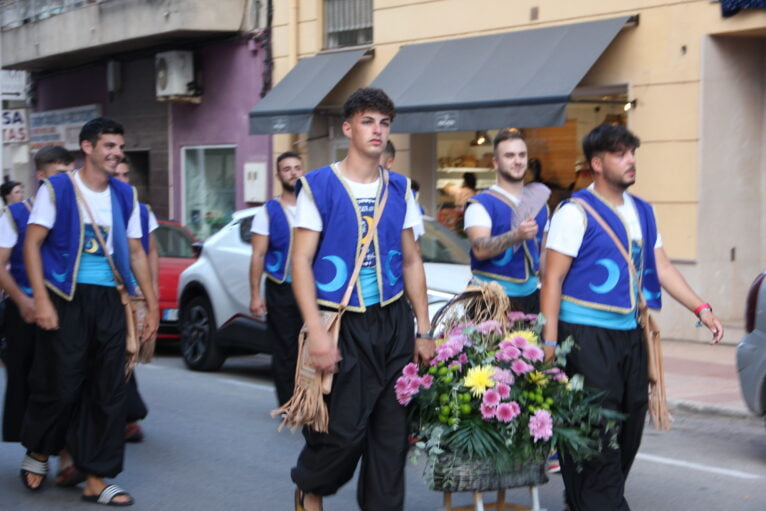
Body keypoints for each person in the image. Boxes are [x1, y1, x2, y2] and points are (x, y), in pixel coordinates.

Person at [540, 124, 724, 511]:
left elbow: (664, 267)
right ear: (596, 163)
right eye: (620, 154)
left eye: (632, 153)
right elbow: (552, 278)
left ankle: (586, 501)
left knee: (629, 432)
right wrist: (550, 343)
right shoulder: (574, 213)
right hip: (585, 337)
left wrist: (701, 309)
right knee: (596, 434)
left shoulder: (643, 211)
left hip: (630, 336)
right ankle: (601, 503)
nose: (631, 160)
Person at [290, 87, 434, 511]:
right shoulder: (318, 187)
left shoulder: (401, 188)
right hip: (341, 323)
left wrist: (423, 329)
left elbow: (411, 260)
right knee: (343, 434)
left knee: (391, 441)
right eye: (368, 121)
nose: (377, 130)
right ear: (348, 128)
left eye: (384, 122)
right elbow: (300, 263)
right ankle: (309, 487)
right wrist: (317, 334)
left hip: (392, 324)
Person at [20, 117, 159, 506]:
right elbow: (32, 245)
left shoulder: (125, 195)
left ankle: (98, 477)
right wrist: (42, 301)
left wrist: (149, 305)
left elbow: (136, 252)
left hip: (110, 300)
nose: (117, 153)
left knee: (108, 390)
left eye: (119, 146)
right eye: (109, 146)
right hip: (65, 297)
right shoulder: (59, 189)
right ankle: (39, 451)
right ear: (88, 147)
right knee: (60, 383)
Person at [0, 147, 75, 480]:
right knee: (30, 383)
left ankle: (67, 452)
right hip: (25, 312)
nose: (67, 180)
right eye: (60, 173)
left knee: (68, 381)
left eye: (70, 173)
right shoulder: (16, 214)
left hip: (68, 308)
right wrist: (22, 301)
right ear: (42, 176)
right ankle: (36, 451)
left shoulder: (78, 215)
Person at [464, 129, 549, 314]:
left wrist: (550, 291)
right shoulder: (481, 204)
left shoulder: (541, 205)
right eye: (509, 156)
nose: (518, 161)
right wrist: (517, 235)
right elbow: (480, 249)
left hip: (531, 297)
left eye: (522, 155)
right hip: (488, 299)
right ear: (495, 162)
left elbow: (543, 254)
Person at [249, 151, 305, 406]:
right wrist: (255, 295)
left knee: (312, 347)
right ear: (278, 175)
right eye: (287, 169)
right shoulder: (268, 211)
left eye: (296, 167)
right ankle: (288, 403)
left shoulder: (315, 207)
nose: (293, 172)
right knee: (286, 350)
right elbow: (258, 255)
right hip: (281, 288)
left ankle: (312, 400)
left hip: (314, 289)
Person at [114, 156, 160, 443]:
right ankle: (127, 415)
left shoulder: (142, 211)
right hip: (107, 293)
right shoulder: (98, 207)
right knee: (115, 355)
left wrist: (151, 289)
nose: (122, 179)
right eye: (117, 174)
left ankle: (127, 416)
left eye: (126, 174)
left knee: (127, 355)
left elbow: (149, 250)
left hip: (134, 295)